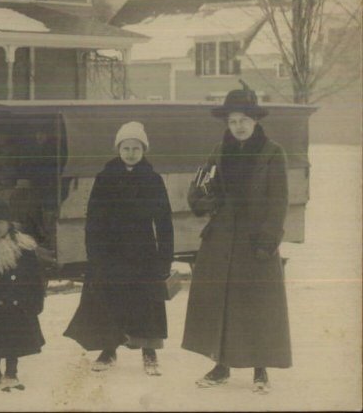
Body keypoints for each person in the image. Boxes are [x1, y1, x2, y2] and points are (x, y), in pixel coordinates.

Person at [182, 88, 291, 393]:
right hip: (221, 241)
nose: (238, 126)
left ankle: (261, 370)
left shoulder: (272, 153)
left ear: (255, 120)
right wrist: (204, 200)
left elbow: (278, 201)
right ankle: (221, 367)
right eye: (232, 121)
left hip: (255, 242)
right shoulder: (218, 152)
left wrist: (267, 242)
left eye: (244, 119)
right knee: (222, 304)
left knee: (258, 304)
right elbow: (201, 189)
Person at [64, 121, 174, 376]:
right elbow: (93, 219)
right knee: (109, 301)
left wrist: (164, 258)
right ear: (118, 149)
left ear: (144, 150)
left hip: (143, 253)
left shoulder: (153, 179)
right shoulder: (105, 178)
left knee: (146, 302)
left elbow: (164, 221)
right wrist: (94, 254)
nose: (131, 152)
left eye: (136, 147)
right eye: (126, 147)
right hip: (110, 253)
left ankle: (149, 351)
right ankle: (108, 349)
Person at [0, 198, 46, 390]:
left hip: (17, 303)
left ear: (8, 223)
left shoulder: (23, 247)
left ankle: (11, 372)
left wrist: (35, 301)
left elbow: (34, 278)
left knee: (14, 339)